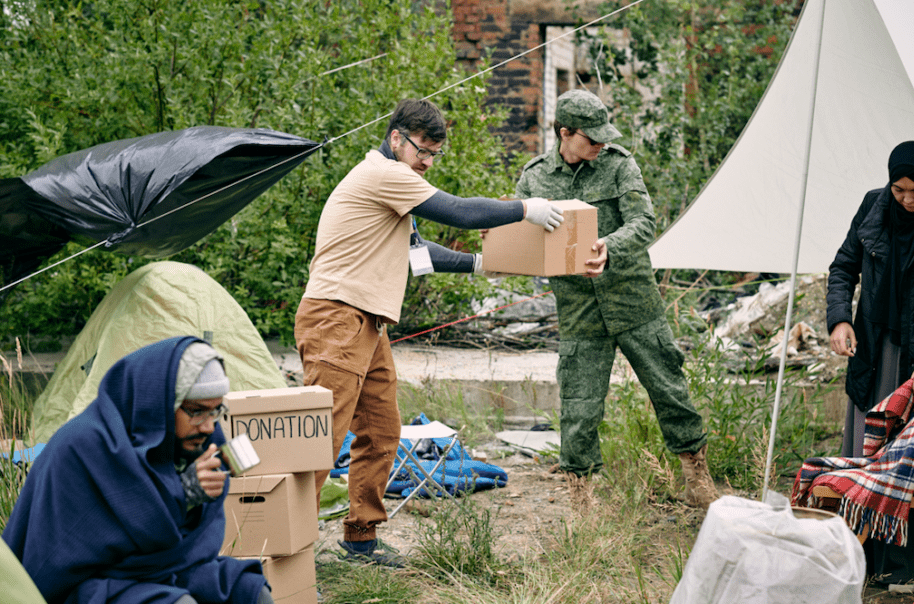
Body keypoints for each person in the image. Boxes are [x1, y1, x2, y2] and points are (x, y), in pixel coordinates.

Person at [295, 98, 563, 566]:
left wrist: (480, 264)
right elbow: (460, 212)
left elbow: (418, 254)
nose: (428, 162)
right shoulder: (383, 174)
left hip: (368, 322)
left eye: (435, 154)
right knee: (321, 440)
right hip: (336, 317)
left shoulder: (395, 185)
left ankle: (361, 539)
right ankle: (288, 553)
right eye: (423, 151)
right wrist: (526, 208)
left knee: (382, 431)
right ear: (396, 138)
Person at [513, 89, 718, 509]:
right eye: (592, 138)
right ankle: (581, 498)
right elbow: (523, 239)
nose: (601, 144)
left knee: (669, 388)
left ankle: (696, 475)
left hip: (633, 300)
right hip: (579, 311)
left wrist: (610, 246)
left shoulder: (620, 164)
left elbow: (644, 222)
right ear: (565, 134)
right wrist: (500, 236)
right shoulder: (534, 178)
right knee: (579, 406)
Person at [2, 336, 271, 604]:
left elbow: (196, 544)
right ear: (161, 402)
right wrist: (183, 493)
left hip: (169, 566)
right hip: (96, 579)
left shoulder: (194, 439)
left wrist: (200, 490)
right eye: (196, 411)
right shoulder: (82, 446)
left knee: (251, 591)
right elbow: (74, 551)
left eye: (215, 411)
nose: (209, 427)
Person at [827, 140, 914, 585]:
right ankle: (861, 559)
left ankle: (910, 566)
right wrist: (839, 320)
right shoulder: (873, 207)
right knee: (866, 451)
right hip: (874, 350)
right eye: (899, 189)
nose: (907, 199)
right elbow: (843, 267)